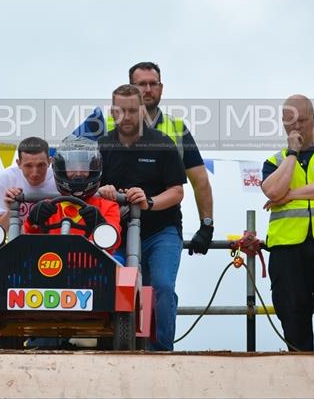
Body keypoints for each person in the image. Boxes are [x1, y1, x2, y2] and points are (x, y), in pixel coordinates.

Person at [97, 84, 186, 351]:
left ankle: (161, 352)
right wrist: (102, 192)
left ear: (142, 111)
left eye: (132, 111)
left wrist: (148, 202)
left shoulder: (162, 143)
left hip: (161, 231)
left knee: (161, 286)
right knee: (109, 285)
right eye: (120, 111)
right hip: (116, 233)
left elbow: (178, 192)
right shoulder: (101, 147)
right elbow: (88, 193)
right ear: (112, 112)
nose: (126, 117)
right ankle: (110, 348)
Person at [261, 94, 314, 352]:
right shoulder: (275, 161)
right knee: (291, 312)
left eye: (304, 120)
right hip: (287, 249)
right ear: (283, 124)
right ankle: (299, 374)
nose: (297, 126)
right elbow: (273, 191)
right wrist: (291, 154)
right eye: (290, 121)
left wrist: (293, 195)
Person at [108, 62, 215, 256]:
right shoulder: (101, 122)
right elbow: (72, 154)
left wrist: (206, 225)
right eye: (141, 84)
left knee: (161, 285)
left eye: (153, 84)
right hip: (114, 227)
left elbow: (200, 181)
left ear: (161, 87)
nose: (148, 90)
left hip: (161, 227)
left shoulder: (178, 128)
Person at [25, 135, 122, 252]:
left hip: (93, 266)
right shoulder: (47, 207)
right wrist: (32, 221)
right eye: (72, 166)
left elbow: (112, 245)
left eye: (84, 166)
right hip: (51, 265)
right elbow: (25, 245)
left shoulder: (108, 206)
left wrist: (100, 225)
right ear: (62, 168)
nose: (78, 172)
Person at [0, 136, 57, 231]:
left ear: (50, 162)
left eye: (41, 165)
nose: (35, 173)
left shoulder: (58, 179)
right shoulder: (7, 178)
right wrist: (11, 210)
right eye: (28, 166)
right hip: (19, 242)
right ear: (19, 164)